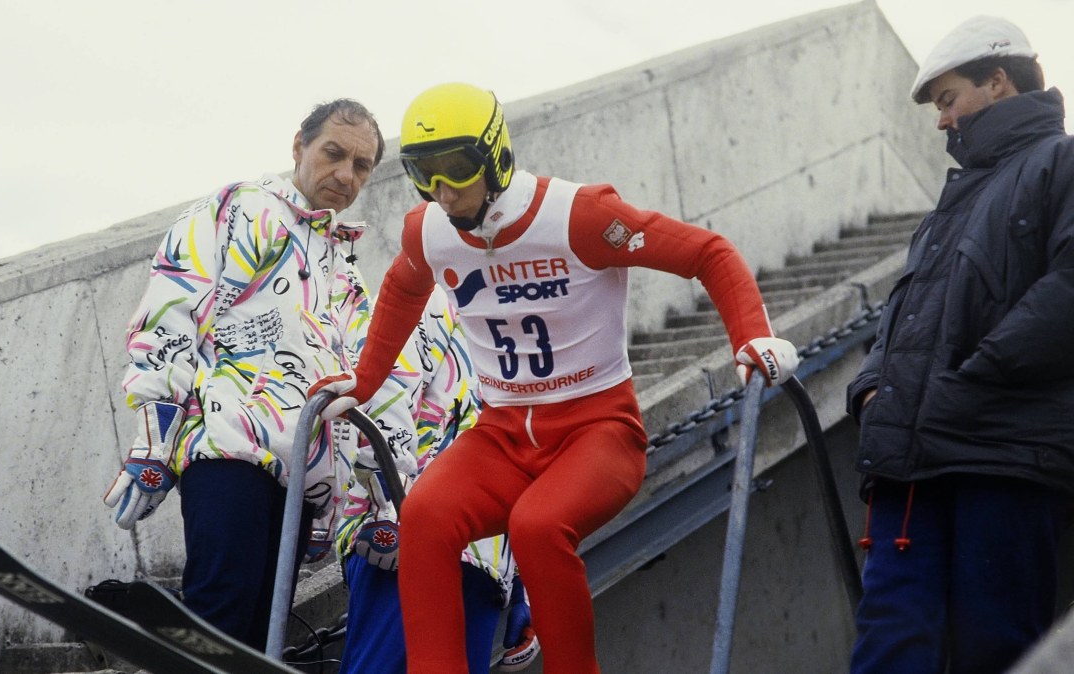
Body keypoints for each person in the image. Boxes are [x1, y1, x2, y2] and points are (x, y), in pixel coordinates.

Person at [311, 82, 800, 674]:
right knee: (424, 516)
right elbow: (402, 289)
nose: (442, 189)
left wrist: (751, 336)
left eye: (457, 168)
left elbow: (709, 252)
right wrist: (363, 382)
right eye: (423, 173)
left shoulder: (582, 215)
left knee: (537, 525)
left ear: (495, 155)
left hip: (598, 431)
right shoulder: (430, 229)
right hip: (504, 434)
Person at [102, 98, 420, 652]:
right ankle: (161, 623)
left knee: (257, 638)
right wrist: (154, 441)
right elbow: (171, 312)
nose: (345, 175)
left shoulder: (344, 268)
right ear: (299, 146)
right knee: (223, 606)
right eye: (333, 153)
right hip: (229, 447)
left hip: (305, 475)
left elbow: (375, 383)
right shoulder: (238, 210)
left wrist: (378, 503)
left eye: (361, 165)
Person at [846, 16, 1074, 674]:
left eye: (948, 100)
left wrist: (976, 377)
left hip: (1003, 451)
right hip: (908, 460)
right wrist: (871, 387)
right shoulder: (946, 208)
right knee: (889, 642)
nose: (941, 122)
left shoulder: (1061, 163)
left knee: (995, 647)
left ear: (997, 83)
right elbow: (901, 318)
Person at [334, 287, 539, 674]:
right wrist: (385, 511)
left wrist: (525, 592)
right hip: (407, 538)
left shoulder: (530, 341)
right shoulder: (431, 300)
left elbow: (535, 473)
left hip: (483, 564)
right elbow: (384, 397)